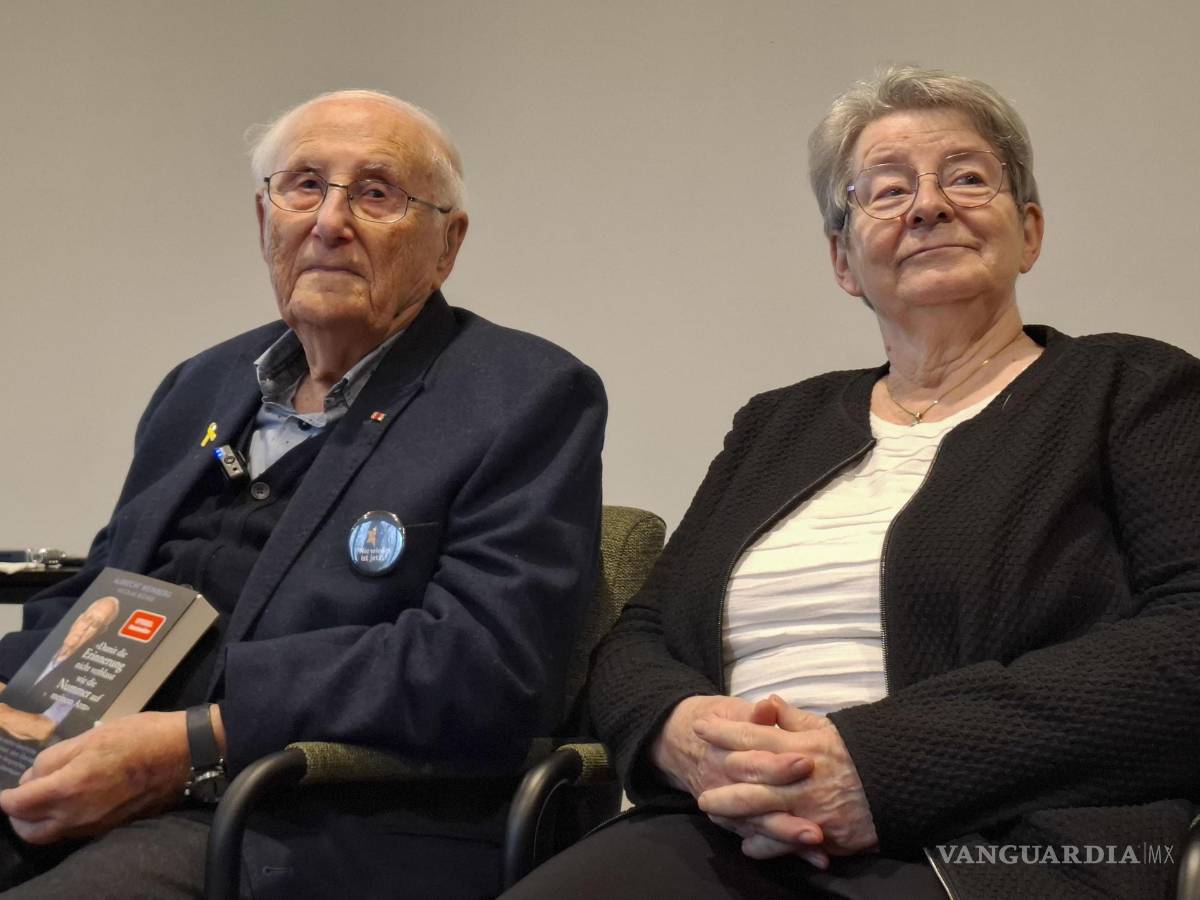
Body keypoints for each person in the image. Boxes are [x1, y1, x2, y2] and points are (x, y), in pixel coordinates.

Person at [502, 65, 1199, 900]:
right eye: (888, 190)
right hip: (723, 833)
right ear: (843, 258)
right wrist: (678, 732)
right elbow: (641, 636)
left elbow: (1189, 639)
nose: (928, 206)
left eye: (966, 178)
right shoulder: (777, 424)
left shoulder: (1128, 389)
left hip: (1000, 843)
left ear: (1029, 230)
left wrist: (875, 764)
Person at [0, 90, 605, 899]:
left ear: (447, 243)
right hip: (89, 761)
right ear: (265, 219)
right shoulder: (200, 384)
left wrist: (198, 740)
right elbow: (107, 590)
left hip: (303, 810)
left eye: (376, 193)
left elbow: (483, 664)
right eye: (305, 186)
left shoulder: (523, 395)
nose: (329, 222)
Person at [0, 597, 120, 742]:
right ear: (78, 619)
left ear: (101, 632)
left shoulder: (88, 676)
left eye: (94, 624)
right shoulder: (20, 645)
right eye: (86, 619)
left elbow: (41, 729)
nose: (84, 628)